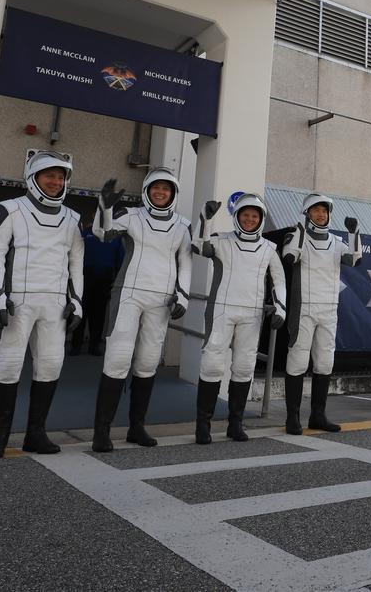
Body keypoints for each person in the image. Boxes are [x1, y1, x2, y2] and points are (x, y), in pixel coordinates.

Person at [0, 150, 84, 460]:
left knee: (50, 365)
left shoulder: (73, 218)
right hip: (17, 302)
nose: (55, 181)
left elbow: (77, 262)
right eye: (49, 175)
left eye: (60, 176)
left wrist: (77, 300)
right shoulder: (9, 209)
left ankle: (35, 433)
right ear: (33, 177)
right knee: (8, 365)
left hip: (55, 304)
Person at [89, 168, 192, 452]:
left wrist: (182, 296)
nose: (161, 192)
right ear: (147, 190)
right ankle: (102, 431)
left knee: (147, 363)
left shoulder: (183, 225)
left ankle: (137, 427)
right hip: (129, 296)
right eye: (156, 187)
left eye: (166, 188)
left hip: (161, 301)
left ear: (173, 193)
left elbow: (186, 263)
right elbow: (102, 234)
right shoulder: (131, 215)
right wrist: (104, 207)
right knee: (117, 359)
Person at [193, 193, 286, 444]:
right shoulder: (221, 240)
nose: (249, 219)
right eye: (245, 215)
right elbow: (199, 247)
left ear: (261, 219)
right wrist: (206, 219)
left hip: (252, 314)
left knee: (244, 368)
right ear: (237, 216)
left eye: (254, 216)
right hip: (221, 310)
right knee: (212, 365)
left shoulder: (269, 248)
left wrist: (280, 308)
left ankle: (236, 424)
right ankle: (203, 425)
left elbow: (279, 279)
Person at [280, 193, 361, 434]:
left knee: (325, 362)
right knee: (297, 361)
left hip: (329, 309)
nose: (321, 214)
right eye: (315, 210)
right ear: (307, 213)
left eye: (324, 210)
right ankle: (292, 417)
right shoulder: (297, 236)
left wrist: (354, 233)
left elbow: (355, 260)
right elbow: (289, 256)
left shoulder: (336, 242)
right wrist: (301, 232)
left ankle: (318, 415)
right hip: (304, 308)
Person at [71, 214, 125, 356]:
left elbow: (121, 261)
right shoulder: (86, 233)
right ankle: (75, 346)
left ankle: (94, 346)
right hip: (84, 278)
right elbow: (73, 255)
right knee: (80, 312)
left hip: (104, 279)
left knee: (99, 315)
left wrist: (117, 281)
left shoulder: (115, 237)